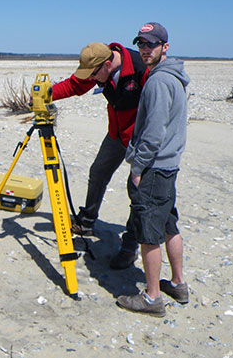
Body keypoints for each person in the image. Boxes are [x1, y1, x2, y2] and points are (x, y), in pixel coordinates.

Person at [52, 41, 148, 269]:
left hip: (142, 138)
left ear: (107, 64)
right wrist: (46, 94)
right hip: (116, 133)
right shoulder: (98, 67)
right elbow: (75, 85)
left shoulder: (140, 69)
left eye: (94, 74)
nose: (91, 79)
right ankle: (86, 221)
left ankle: (129, 247)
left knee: (138, 191)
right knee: (98, 172)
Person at [116, 22, 190, 318]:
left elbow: (154, 131)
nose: (145, 50)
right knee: (170, 224)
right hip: (169, 166)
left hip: (155, 168)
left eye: (151, 44)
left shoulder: (159, 82)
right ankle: (178, 283)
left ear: (165, 47)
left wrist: (138, 166)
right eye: (141, 44)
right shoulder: (173, 76)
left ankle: (152, 297)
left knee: (149, 233)